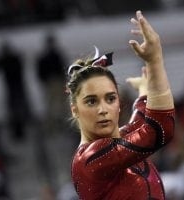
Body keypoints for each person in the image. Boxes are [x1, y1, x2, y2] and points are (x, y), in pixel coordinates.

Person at [67, 10, 175, 200]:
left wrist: (143, 92)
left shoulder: (119, 143)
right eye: (91, 101)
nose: (103, 109)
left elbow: (139, 122)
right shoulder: (90, 159)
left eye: (110, 98)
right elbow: (158, 130)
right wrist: (154, 60)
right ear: (74, 109)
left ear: (118, 103)